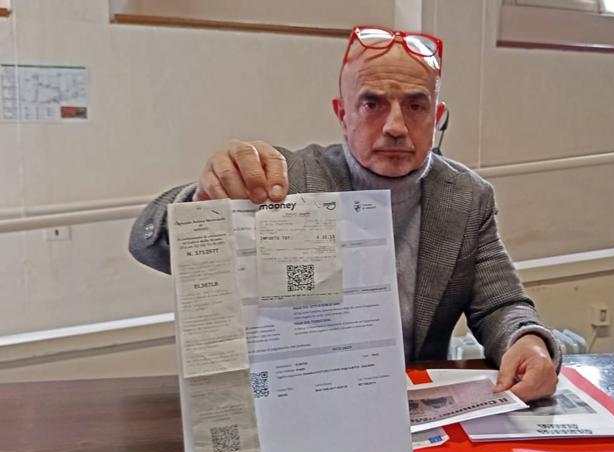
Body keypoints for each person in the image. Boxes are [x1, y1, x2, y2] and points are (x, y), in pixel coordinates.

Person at [130, 26, 560, 401]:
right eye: (372, 104)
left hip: (410, 408)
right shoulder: (285, 181)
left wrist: (528, 342)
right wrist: (202, 202)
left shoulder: (466, 197)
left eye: (416, 105)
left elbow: (500, 304)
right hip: (294, 401)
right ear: (342, 114)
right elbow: (151, 247)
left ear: (437, 116)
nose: (395, 126)